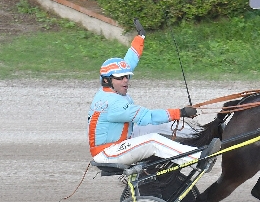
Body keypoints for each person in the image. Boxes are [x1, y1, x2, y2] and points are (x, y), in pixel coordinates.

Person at [88, 19, 220, 167]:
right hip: (108, 152)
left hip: (124, 138)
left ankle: (204, 135)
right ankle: (198, 159)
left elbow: (129, 62)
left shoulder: (111, 88)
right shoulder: (113, 103)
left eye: (127, 76)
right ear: (107, 81)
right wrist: (180, 112)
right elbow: (148, 116)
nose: (126, 81)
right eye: (121, 78)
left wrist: (140, 38)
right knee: (152, 141)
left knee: (159, 127)